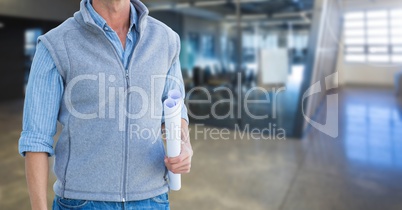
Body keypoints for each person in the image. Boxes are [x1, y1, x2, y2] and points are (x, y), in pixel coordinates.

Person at [18, 0, 193, 209]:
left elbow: (174, 108)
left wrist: (184, 144)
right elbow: (36, 140)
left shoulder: (166, 40)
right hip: (81, 202)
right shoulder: (55, 45)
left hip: (152, 199)